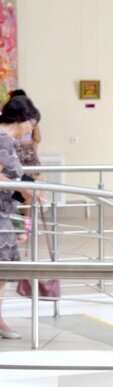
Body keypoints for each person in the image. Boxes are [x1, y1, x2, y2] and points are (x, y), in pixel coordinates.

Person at [0, 95, 40, 339]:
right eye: (31, 125)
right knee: (1, 270)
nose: (30, 131)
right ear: (21, 118)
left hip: (5, 210)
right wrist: (25, 190)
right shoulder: (3, 139)